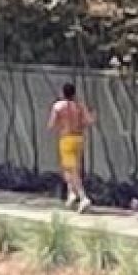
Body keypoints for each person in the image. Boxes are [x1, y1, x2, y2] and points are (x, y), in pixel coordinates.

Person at [48, 82, 93, 211]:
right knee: (69, 168)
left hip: (66, 138)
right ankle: (71, 194)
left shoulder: (58, 106)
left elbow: (51, 124)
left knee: (71, 170)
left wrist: (60, 125)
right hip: (79, 138)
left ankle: (83, 197)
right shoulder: (80, 106)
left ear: (63, 92)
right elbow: (88, 121)